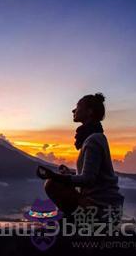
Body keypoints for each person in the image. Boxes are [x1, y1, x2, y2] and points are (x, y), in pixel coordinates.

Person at [37, 93, 124, 223]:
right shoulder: (95, 137)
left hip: (101, 208)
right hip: (107, 206)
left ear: (89, 112)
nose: (73, 110)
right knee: (56, 181)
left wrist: (55, 176)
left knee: (52, 184)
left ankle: (78, 220)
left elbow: (88, 179)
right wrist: (70, 173)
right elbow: (94, 174)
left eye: (78, 107)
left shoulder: (93, 140)